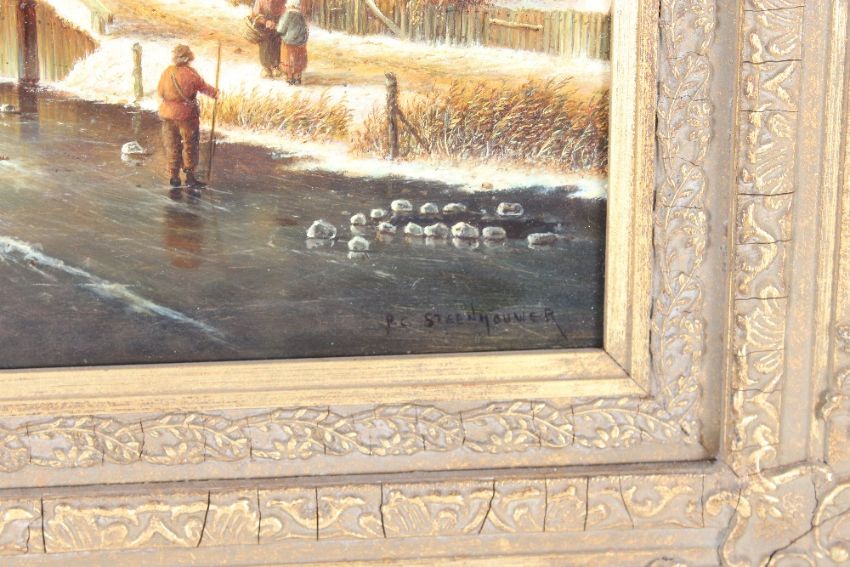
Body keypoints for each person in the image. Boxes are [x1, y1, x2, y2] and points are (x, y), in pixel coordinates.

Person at [157, 45, 219, 190]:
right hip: (187, 116)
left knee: (172, 145)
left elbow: (160, 92)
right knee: (189, 145)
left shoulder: (167, 72)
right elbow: (204, 87)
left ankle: (174, 177)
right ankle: (190, 178)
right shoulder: (190, 73)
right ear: (187, 58)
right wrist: (215, 93)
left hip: (168, 114)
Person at [277, 0, 309, 85]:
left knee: (288, 59)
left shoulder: (287, 15)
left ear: (288, 5)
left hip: (288, 43)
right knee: (298, 60)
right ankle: (297, 77)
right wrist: (303, 39)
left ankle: (289, 77)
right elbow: (305, 29)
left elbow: (280, 29)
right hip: (300, 43)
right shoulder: (301, 16)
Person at [252, 0, 286, 78]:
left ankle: (275, 66)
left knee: (276, 43)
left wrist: (277, 23)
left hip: (276, 26)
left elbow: (284, 13)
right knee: (265, 43)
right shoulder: (260, 1)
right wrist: (265, 21)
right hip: (263, 27)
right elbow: (255, 14)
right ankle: (266, 68)